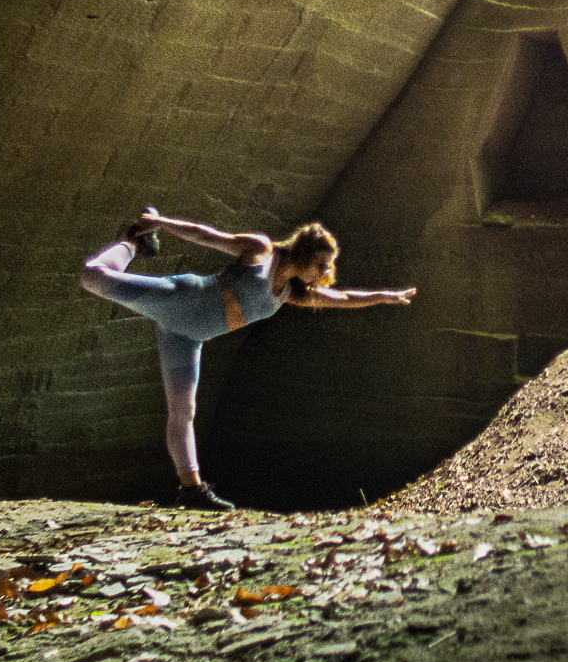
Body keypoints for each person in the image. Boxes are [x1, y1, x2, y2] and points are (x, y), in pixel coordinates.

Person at [79, 208, 414, 510]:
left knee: (183, 411)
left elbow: (341, 297)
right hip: (179, 299)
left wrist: (384, 296)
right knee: (92, 276)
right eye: (321, 265)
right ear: (304, 253)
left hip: (188, 336)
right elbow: (208, 235)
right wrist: (161, 222)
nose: (325, 272)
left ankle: (191, 490)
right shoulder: (261, 252)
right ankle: (132, 243)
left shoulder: (290, 292)